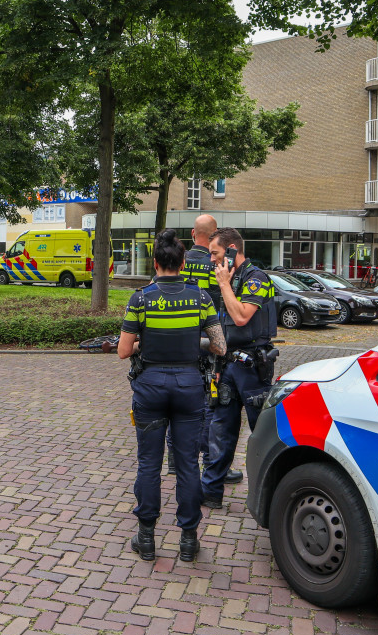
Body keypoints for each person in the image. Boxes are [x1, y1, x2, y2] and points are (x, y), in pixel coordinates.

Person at [118, 229, 226, 563]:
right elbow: (220, 346)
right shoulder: (200, 298)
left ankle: (147, 537)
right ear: (182, 262)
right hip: (189, 388)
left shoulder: (140, 298)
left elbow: (124, 351)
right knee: (187, 464)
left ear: (155, 262)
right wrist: (193, 343)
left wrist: (146, 343)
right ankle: (189, 540)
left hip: (149, 387)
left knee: (149, 463)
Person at [202, 227, 278, 510]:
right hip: (228, 365)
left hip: (253, 368)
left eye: (215, 253)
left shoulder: (255, 278)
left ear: (232, 249)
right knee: (220, 429)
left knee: (262, 432)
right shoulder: (229, 279)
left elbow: (243, 317)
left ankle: (270, 497)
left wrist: (223, 285)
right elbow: (224, 325)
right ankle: (210, 491)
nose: (212, 260)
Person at [164, 214, 221, 475]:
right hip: (207, 343)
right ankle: (209, 462)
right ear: (214, 234)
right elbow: (220, 307)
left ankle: (175, 461)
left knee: (172, 405)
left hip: (177, 341)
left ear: (192, 233)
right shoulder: (216, 265)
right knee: (208, 406)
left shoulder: (178, 261)